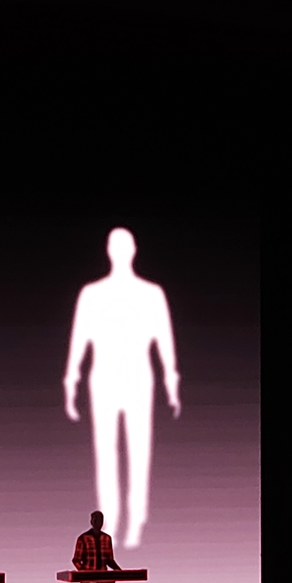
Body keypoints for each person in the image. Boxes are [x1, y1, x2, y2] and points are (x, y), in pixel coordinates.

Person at [62, 228, 180, 548]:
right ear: (110, 251)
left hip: (138, 377)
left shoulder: (151, 294)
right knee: (107, 452)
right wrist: (71, 378)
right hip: (104, 379)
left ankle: (137, 519)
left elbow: (165, 340)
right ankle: (110, 520)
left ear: (132, 250)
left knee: (139, 450)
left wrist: (171, 379)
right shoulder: (92, 294)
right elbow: (79, 339)